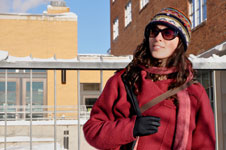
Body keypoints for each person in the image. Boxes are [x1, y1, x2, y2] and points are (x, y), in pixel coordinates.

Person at [83, 7, 215, 150]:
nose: (158, 38)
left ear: (180, 43)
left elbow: (205, 145)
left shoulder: (194, 91)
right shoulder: (124, 80)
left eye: (168, 33)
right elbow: (92, 130)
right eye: (154, 31)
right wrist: (131, 128)